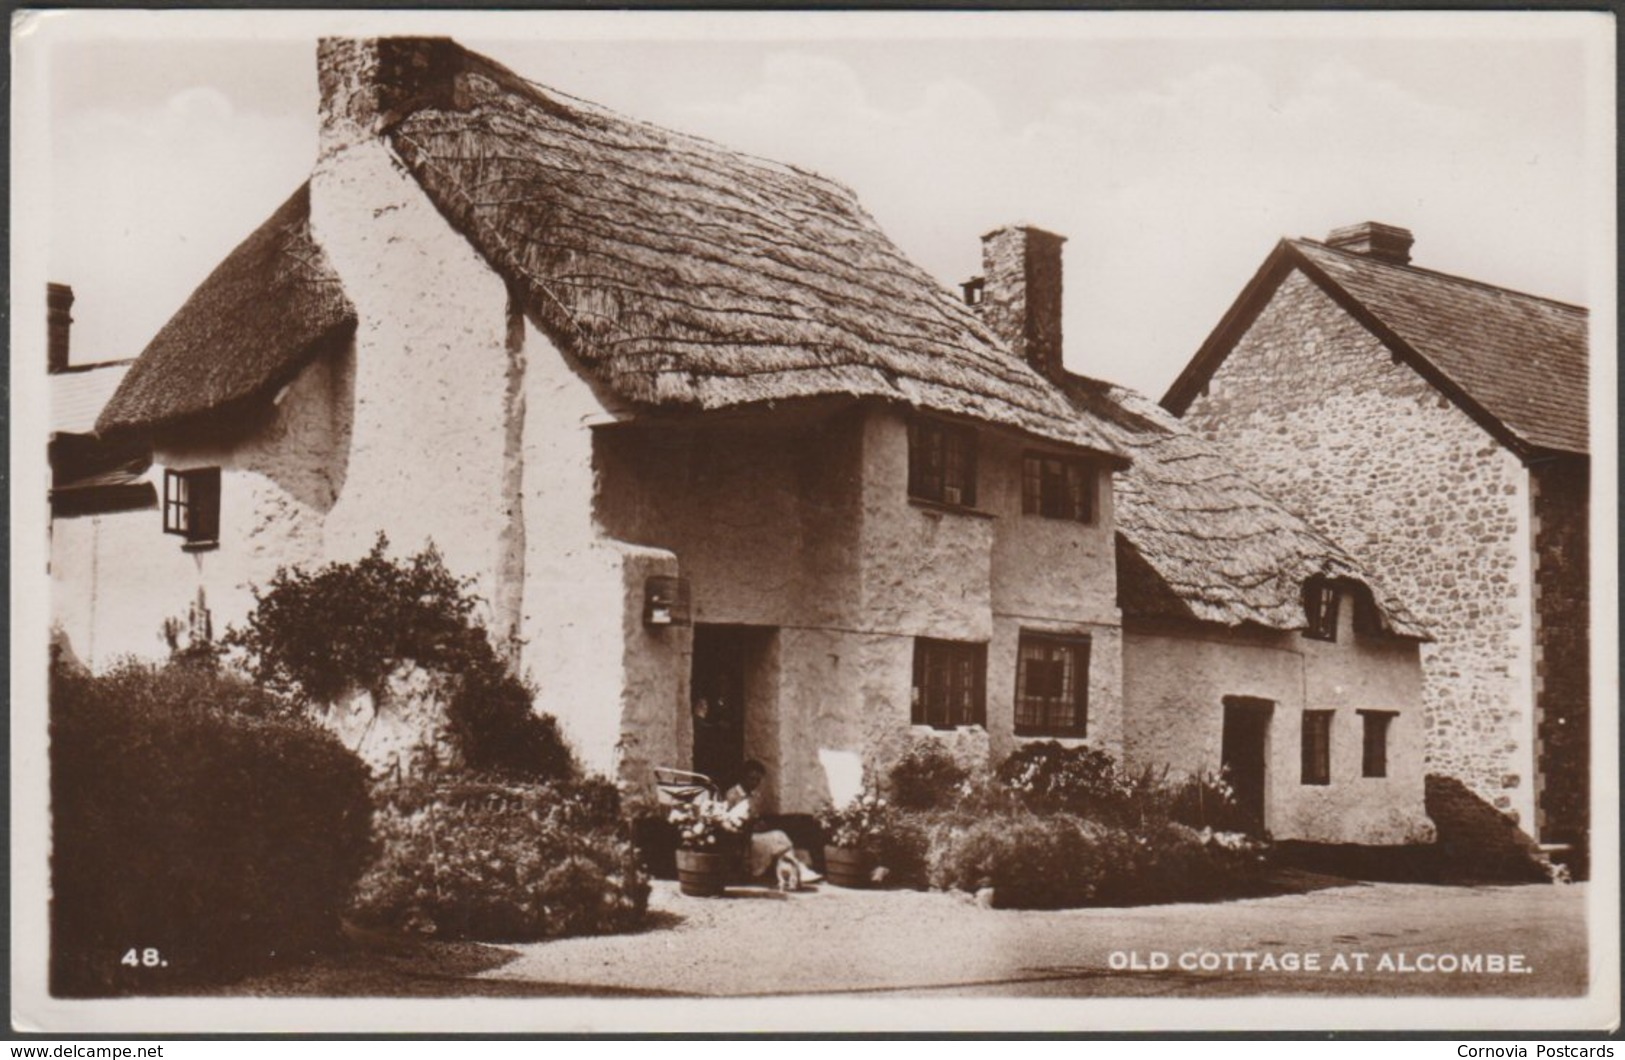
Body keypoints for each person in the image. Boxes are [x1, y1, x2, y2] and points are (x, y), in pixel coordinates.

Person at [719, 760, 821, 884]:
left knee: (779, 836)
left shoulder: (755, 795)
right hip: (740, 838)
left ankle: (795, 869)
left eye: (758, 780)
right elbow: (726, 819)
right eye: (751, 779)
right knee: (778, 837)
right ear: (743, 777)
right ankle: (797, 869)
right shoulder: (733, 794)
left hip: (754, 834)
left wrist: (759, 824)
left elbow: (756, 816)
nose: (755, 783)